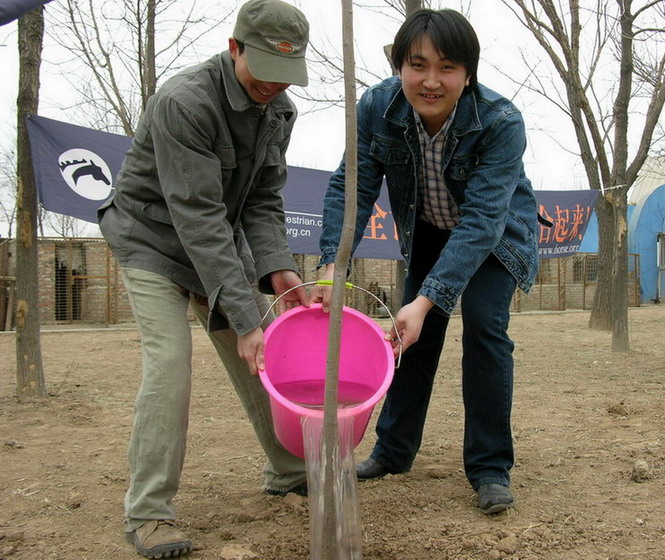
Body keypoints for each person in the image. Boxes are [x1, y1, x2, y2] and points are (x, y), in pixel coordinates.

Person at [98, 0, 311, 557]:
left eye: (286, 74)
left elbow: (262, 201)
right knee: (171, 364)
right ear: (235, 47)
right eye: (264, 67)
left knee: (266, 355)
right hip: (151, 241)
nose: (274, 85)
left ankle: (290, 471)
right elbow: (197, 216)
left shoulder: (279, 112)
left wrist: (279, 270)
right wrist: (243, 317)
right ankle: (148, 513)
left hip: (216, 242)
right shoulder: (184, 102)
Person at [310, 9, 539, 514]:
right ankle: (393, 452)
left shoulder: (501, 122)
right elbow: (352, 186)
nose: (430, 81)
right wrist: (334, 264)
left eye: (448, 68)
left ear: (468, 74)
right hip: (430, 231)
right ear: (398, 66)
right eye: (417, 65)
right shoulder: (375, 107)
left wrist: (430, 297)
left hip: (495, 236)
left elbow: (482, 220)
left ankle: (489, 467)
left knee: (484, 328)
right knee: (410, 336)